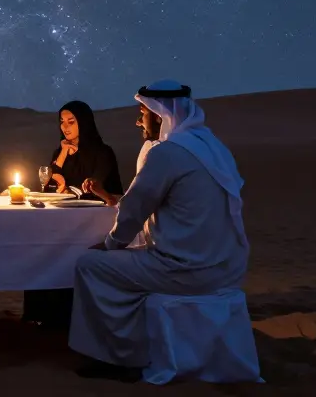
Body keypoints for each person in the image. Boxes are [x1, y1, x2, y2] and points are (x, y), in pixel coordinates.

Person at [69, 80, 250, 382]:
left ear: (160, 114)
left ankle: (116, 359)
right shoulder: (212, 148)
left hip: (182, 268)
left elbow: (133, 212)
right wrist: (113, 199)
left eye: (143, 112)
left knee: (91, 265)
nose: (138, 120)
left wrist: (112, 244)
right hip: (223, 267)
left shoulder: (166, 153)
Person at [23, 101, 124, 329]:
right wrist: (62, 157)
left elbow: (98, 184)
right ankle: (42, 315)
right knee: (43, 250)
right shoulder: (60, 151)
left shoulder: (102, 152)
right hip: (62, 218)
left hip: (93, 220)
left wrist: (75, 189)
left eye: (71, 122)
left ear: (84, 123)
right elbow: (48, 183)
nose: (66, 127)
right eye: (62, 122)